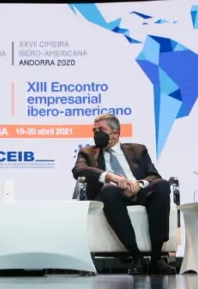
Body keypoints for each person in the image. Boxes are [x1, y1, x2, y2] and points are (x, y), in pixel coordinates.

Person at [72, 113, 176, 275]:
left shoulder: (137, 150)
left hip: (138, 192)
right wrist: (110, 177)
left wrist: (138, 185)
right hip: (111, 196)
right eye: (94, 130)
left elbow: (154, 175)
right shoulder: (87, 152)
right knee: (109, 189)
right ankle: (137, 258)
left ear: (115, 133)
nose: (96, 133)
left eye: (101, 129)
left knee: (161, 185)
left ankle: (156, 258)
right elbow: (78, 170)